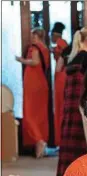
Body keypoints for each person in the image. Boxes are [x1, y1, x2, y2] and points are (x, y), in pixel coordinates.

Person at [56, 27, 87, 176]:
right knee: (86, 148)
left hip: (70, 111)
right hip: (83, 109)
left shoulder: (73, 59)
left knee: (71, 148)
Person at [16, 28, 50, 158]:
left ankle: (38, 140)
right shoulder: (45, 48)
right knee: (39, 114)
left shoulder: (34, 48)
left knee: (29, 113)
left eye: (32, 35)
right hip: (41, 83)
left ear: (36, 36)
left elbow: (35, 62)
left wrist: (22, 60)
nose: (31, 37)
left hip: (33, 83)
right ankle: (40, 144)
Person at [51, 22, 69, 146]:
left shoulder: (59, 44)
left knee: (60, 108)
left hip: (61, 76)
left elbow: (61, 61)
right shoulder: (64, 43)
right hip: (62, 76)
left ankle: (60, 140)